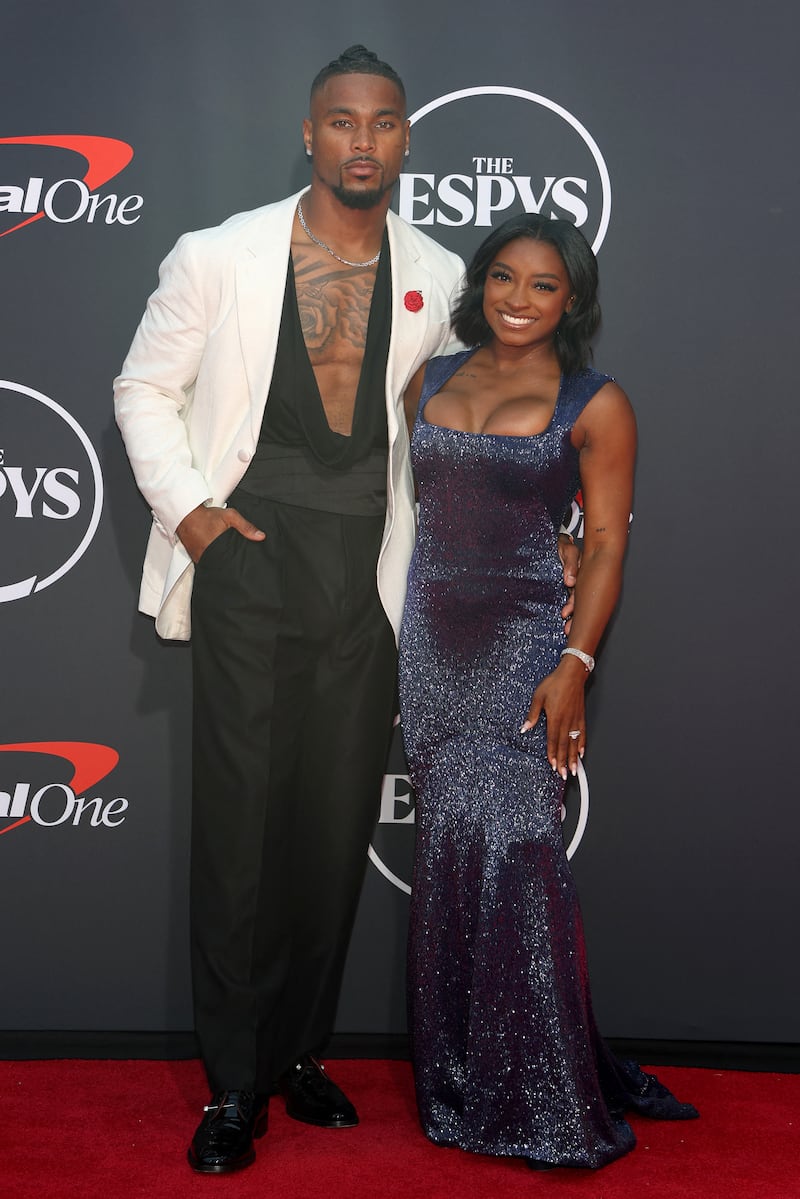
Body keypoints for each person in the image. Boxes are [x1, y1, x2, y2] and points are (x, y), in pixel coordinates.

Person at [113, 46, 467, 1174]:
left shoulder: (439, 273)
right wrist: (193, 516)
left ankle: (298, 1050)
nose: (363, 141)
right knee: (239, 829)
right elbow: (142, 388)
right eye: (341, 122)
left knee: (330, 822)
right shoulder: (217, 254)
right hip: (249, 558)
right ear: (308, 136)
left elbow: (455, 426)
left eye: (383, 122)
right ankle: (232, 1079)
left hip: (368, 571)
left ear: (406, 138)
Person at [398, 214, 698, 1169]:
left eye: (543, 285)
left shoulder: (595, 403)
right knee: (451, 853)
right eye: (503, 277)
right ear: (480, 283)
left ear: (573, 301)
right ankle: (460, 1077)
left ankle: (547, 1094)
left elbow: (604, 542)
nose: (518, 300)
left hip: (528, 644)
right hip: (433, 644)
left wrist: (575, 661)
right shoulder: (427, 379)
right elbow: (405, 511)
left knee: (521, 852)